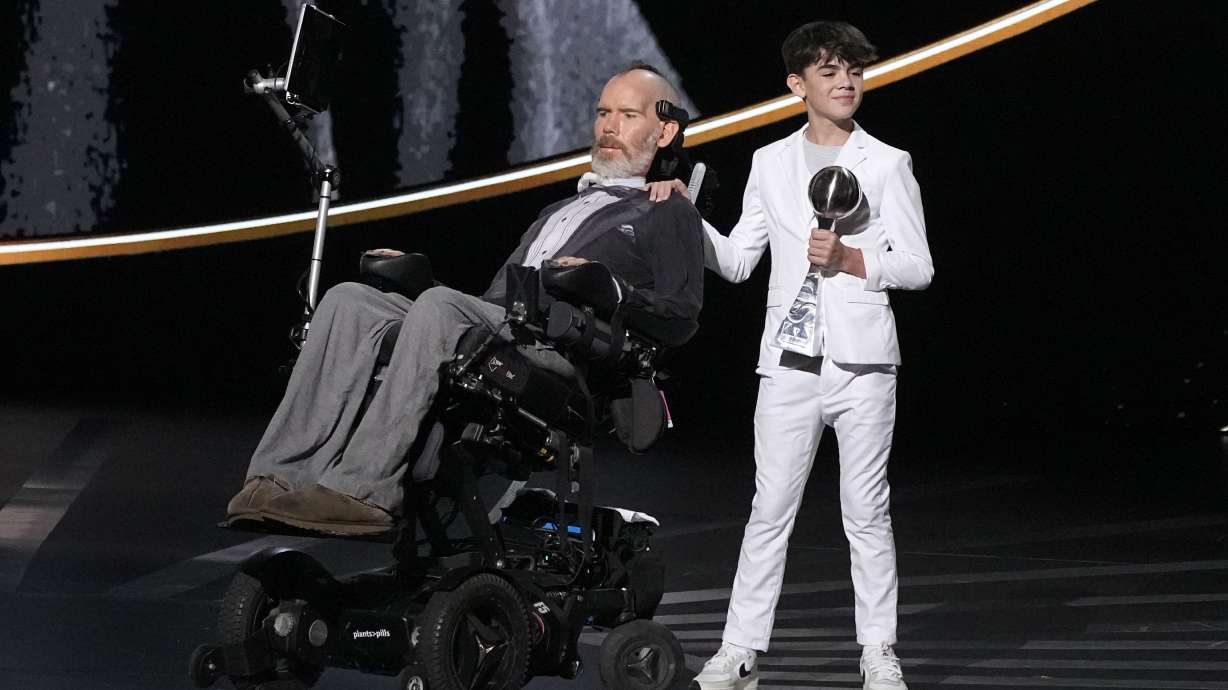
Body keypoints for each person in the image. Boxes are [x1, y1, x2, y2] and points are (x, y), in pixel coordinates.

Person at [224, 65, 704, 536]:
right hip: (502, 325)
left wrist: (610, 289)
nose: (608, 127)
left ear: (664, 132)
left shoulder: (666, 211)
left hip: (562, 352)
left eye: (627, 115)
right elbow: (488, 303)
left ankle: (363, 491)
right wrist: (421, 283)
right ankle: (276, 478)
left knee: (440, 310)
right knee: (349, 301)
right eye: (603, 113)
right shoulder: (558, 210)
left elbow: (680, 317)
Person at [649, 21, 932, 690]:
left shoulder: (888, 163)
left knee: (866, 512)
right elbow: (742, 261)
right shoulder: (771, 163)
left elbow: (919, 267)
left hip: (864, 363)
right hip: (789, 363)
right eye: (830, 70)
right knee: (769, 507)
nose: (846, 81)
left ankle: (879, 654)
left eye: (855, 69)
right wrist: (687, 216)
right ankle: (739, 649)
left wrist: (853, 257)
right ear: (797, 83)